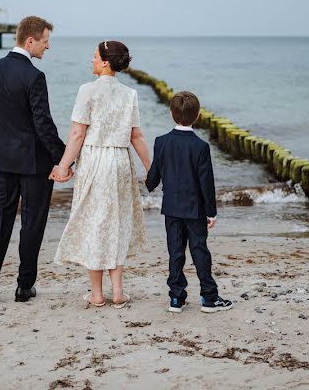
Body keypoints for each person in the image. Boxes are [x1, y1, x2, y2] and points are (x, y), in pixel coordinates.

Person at [0, 16, 68, 304]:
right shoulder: (34, 76)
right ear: (30, 41)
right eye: (45, 41)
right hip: (33, 163)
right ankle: (23, 286)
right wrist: (64, 157)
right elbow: (43, 124)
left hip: (1, 159)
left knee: (0, 220)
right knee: (32, 222)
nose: (47, 47)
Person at [53, 40, 150, 308]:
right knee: (117, 223)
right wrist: (151, 168)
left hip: (95, 160)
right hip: (120, 160)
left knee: (94, 223)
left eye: (95, 56)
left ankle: (97, 294)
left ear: (106, 62)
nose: (91, 59)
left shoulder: (87, 91)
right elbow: (137, 136)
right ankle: (118, 292)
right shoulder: (129, 93)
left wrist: (63, 166)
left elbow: (77, 134)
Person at [145, 91, 233, 313]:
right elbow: (206, 183)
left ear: (171, 113)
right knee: (199, 251)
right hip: (195, 210)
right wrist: (211, 213)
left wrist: (148, 184)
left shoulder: (161, 142)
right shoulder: (200, 146)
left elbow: (154, 175)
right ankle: (209, 298)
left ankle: (176, 298)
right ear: (198, 115)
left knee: (175, 252)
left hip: (172, 209)